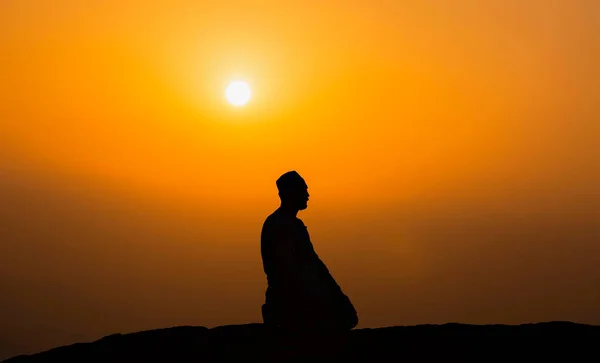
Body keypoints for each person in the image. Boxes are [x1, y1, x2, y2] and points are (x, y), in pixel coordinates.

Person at [260, 171, 358, 333]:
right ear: (290, 193)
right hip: (289, 300)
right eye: (303, 190)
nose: (307, 195)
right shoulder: (278, 224)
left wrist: (336, 292)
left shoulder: (294, 224)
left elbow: (313, 262)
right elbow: (287, 270)